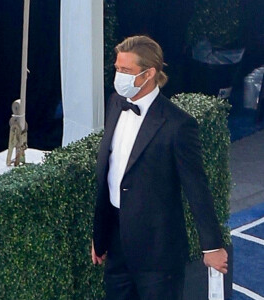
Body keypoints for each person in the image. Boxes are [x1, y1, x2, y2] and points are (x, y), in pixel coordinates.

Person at [92, 35, 228, 300]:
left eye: (126, 71)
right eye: (117, 69)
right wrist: (100, 234)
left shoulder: (178, 125)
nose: (119, 76)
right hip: (117, 243)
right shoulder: (116, 103)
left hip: (159, 253)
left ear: (149, 74)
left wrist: (211, 246)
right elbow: (110, 172)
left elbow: (196, 188)